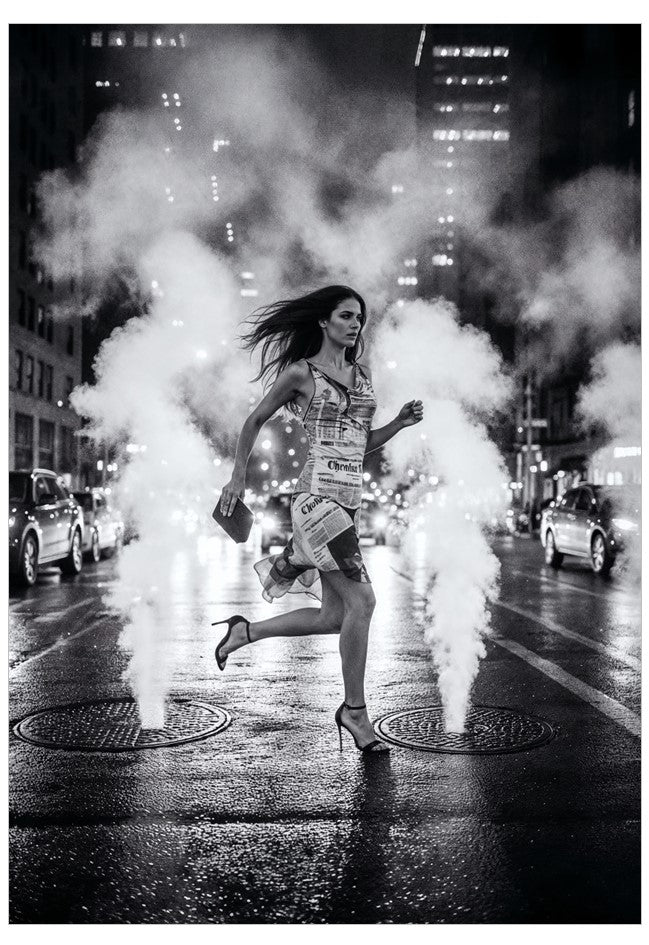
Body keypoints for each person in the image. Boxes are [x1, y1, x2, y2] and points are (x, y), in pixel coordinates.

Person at [215, 286, 423, 753]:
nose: (355, 325)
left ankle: (244, 633)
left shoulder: (362, 375)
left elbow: (360, 443)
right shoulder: (301, 374)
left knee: (336, 615)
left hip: (347, 504)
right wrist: (236, 479)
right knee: (364, 603)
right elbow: (254, 421)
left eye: (360, 319)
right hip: (316, 502)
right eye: (347, 316)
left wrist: (400, 424)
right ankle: (354, 711)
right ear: (324, 323)